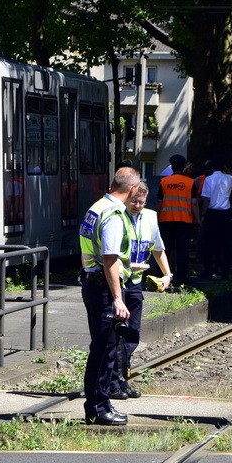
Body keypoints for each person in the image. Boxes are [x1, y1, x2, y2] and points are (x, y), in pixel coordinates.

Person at [78, 166, 141, 426]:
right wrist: (117, 298)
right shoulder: (114, 215)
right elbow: (110, 258)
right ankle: (97, 407)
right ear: (133, 189)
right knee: (105, 351)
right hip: (104, 288)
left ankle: (100, 403)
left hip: (92, 283)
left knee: (102, 349)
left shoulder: (97, 207)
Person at [111, 182, 172, 400]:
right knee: (116, 334)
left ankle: (122, 379)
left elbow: (158, 248)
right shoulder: (117, 216)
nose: (137, 205)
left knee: (132, 334)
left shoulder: (150, 217)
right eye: (133, 201)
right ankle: (113, 382)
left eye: (141, 202)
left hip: (135, 281)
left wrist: (167, 275)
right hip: (119, 281)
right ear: (126, 198)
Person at [156, 154, 198, 287]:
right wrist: (198, 219)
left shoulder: (164, 182)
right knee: (183, 250)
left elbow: (159, 202)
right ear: (184, 166)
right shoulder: (191, 183)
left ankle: (162, 275)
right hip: (185, 221)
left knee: (165, 249)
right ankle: (182, 277)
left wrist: (157, 217)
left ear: (172, 166)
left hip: (166, 220)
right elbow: (194, 203)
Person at [199, 155, 232, 279]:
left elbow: (206, 199)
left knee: (209, 244)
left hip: (211, 213)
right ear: (223, 167)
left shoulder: (208, 179)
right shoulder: (229, 178)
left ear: (211, 166)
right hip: (226, 213)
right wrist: (227, 170)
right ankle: (225, 272)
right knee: (226, 244)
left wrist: (203, 215)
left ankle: (208, 271)